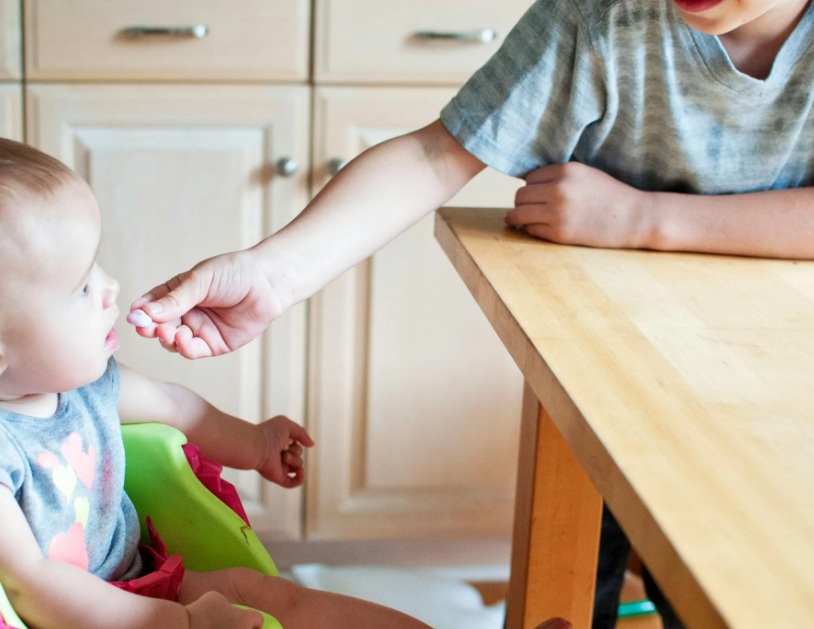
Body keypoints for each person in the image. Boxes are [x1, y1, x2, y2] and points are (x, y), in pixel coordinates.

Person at [125, 0, 814, 626]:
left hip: (776, 390)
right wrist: (273, 273)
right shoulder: (599, 16)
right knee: (582, 577)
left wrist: (644, 217)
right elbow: (435, 153)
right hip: (608, 373)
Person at [0, 126, 456, 629]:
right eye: (81, 287)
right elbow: (26, 585)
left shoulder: (65, 377)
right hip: (46, 618)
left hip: (128, 583)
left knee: (268, 595)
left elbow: (174, 405)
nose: (109, 287)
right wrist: (175, 623)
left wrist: (254, 443)